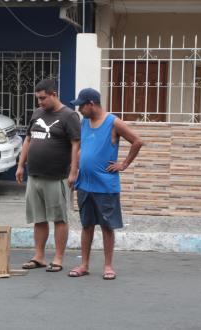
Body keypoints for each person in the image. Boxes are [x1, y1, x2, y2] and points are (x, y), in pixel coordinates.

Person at [68, 88, 143, 280]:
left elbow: (137, 141)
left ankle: (108, 266)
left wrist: (123, 165)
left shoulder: (113, 122)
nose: (79, 110)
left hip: (105, 186)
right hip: (85, 184)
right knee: (86, 225)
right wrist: (74, 171)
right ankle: (84, 264)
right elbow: (80, 149)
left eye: (81, 106)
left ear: (91, 104)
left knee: (107, 227)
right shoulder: (85, 122)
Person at [16, 79, 80, 272]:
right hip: (34, 175)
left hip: (57, 176)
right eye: (38, 98)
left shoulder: (69, 116)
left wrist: (73, 172)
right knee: (39, 218)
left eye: (43, 98)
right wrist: (20, 165)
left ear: (54, 94)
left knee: (59, 218)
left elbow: (76, 145)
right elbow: (28, 139)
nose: (40, 102)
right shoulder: (37, 113)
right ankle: (39, 256)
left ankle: (58, 258)